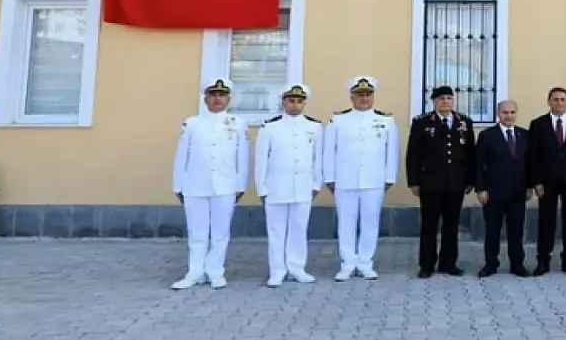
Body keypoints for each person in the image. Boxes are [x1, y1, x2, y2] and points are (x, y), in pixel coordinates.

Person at [170, 77, 249, 290]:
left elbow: (242, 157)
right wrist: (178, 185)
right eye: (213, 94)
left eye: (222, 95)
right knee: (197, 232)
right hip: (195, 184)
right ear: (205, 98)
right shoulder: (192, 124)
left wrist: (240, 185)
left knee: (220, 232)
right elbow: (181, 156)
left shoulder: (238, 124)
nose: (217, 99)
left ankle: (215, 271)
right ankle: (195, 271)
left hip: (225, 184)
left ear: (229, 99)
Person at [323, 76, 400, 281]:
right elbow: (329, 150)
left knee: (370, 222)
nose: (364, 99)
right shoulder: (337, 119)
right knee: (346, 222)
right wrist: (329, 177)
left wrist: (389, 177)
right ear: (351, 97)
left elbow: (391, 151)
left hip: (374, 180)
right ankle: (348, 263)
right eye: (360, 95)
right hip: (344, 179)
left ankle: (366, 262)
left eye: (368, 94)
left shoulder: (386, 120)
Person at [255, 83, 323, 287]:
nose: (295, 105)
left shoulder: (314, 127)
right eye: (291, 100)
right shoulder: (270, 127)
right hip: (276, 187)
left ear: (305, 104)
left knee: (298, 229)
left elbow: (317, 158)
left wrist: (316, 184)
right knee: (276, 231)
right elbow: (261, 160)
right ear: (283, 102)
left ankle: (296, 267)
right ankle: (277, 270)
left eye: (299, 101)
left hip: (303, 187)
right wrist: (262, 188)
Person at [405, 85, 476, 278]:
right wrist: (413, 181)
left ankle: (448, 263)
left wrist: (471, 179)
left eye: (449, 98)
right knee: (429, 225)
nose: (446, 102)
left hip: (456, 183)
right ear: (434, 102)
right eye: (441, 99)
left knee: (451, 225)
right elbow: (413, 154)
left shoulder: (464, 122)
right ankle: (427, 265)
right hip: (430, 183)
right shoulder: (422, 123)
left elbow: (470, 154)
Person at [529, 87, 566, 276]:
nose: (559, 103)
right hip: (547, 182)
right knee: (546, 222)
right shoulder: (538, 124)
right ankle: (543, 261)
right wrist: (536, 182)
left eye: (563, 99)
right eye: (555, 99)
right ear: (549, 102)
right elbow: (534, 156)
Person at [475, 100, 534, 277]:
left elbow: (530, 163)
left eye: (512, 112)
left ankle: (517, 264)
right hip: (493, 193)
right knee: (493, 230)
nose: (508, 116)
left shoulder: (525, 135)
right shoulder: (487, 136)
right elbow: (478, 164)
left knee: (516, 231)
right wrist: (481, 188)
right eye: (504, 113)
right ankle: (491, 264)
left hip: (518, 192)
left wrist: (529, 186)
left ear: (517, 113)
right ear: (497, 114)